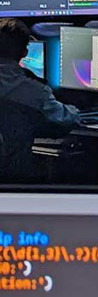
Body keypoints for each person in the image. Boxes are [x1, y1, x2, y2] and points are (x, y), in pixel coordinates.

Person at [0, 18, 81, 181]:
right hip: (15, 182)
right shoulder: (33, 92)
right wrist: (76, 109)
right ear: (24, 53)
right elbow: (65, 120)